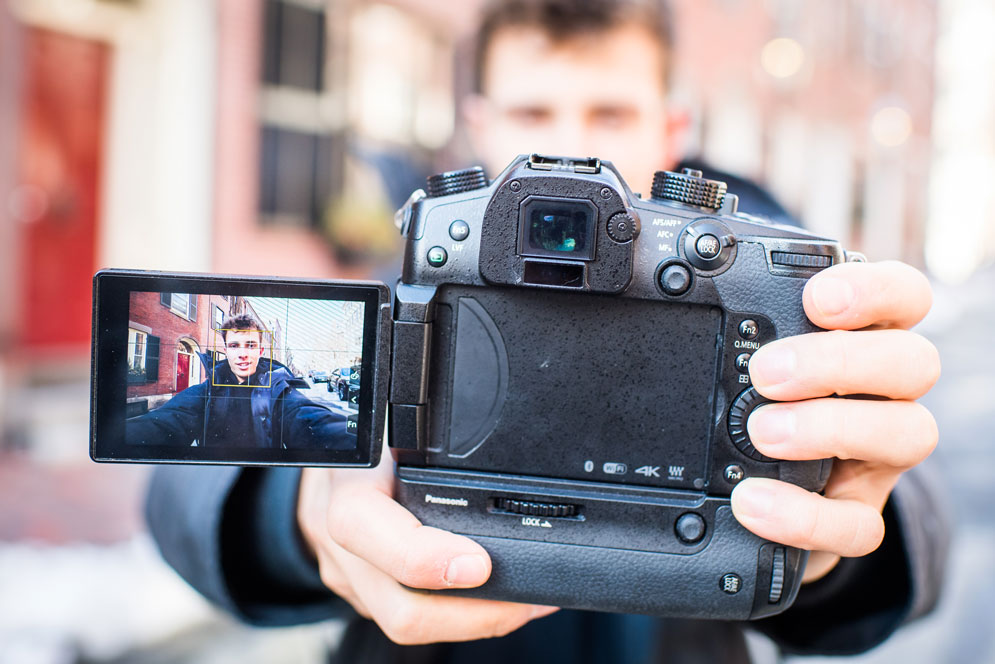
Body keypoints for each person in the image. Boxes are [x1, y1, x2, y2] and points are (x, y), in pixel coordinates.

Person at [146, 1, 948, 661]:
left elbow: (917, 515)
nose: (572, 145)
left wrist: (833, 539)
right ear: (477, 123)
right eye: (534, 110)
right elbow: (175, 480)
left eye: (610, 110)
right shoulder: (420, 283)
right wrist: (301, 512)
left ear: (671, 131)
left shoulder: (776, 296)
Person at [129, 313, 352, 450]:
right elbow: (164, 422)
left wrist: (354, 438)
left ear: (260, 350)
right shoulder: (206, 392)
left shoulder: (277, 390)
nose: (243, 354)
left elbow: (309, 419)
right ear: (225, 350)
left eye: (250, 345)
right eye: (235, 346)